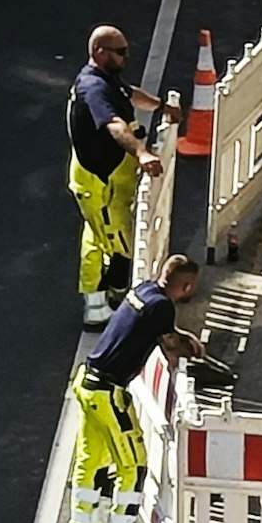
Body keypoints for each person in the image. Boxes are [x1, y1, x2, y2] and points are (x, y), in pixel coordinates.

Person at [70, 254, 205, 523]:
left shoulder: (144, 291)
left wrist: (182, 337)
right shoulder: (162, 307)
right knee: (134, 464)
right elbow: (170, 344)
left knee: (89, 463)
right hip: (108, 392)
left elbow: (158, 332)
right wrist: (192, 349)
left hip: (88, 382)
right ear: (184, 285)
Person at [69, 26, 181, 329]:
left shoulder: (106, 81)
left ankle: (100, 303)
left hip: (100, 179)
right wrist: (142, 153)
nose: (126, 56)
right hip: (100, 182)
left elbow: (129, 94)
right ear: (99, 53)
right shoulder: (93, 89)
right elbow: (115, 126)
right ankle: (111, 302)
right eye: (120, 52)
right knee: (119, 243)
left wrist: (161, 106)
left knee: (97, 238)